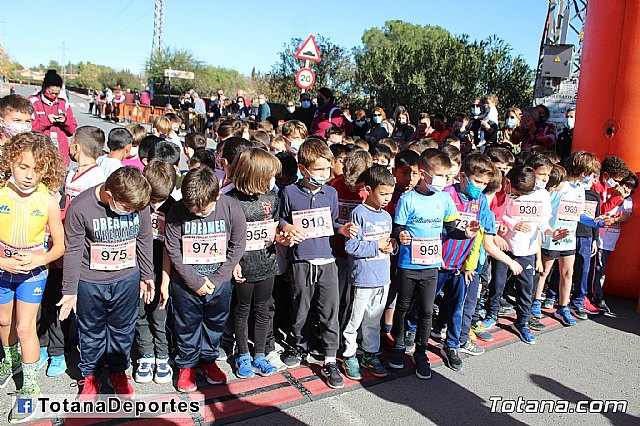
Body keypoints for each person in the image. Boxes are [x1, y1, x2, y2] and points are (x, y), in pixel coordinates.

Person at [58, 167, 154, 401]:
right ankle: (90, 376)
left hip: (126, 279)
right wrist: (69, 291)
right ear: (110, 196)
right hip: (90, 282)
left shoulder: (138, 204)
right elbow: (73, 251)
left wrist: (147, 275)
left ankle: (119, 372)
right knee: (91, 332)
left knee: (123, 329)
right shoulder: (81, 208)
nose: (132, 212)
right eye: (128, 209)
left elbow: (144, 238)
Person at [389, 149, 478, 379]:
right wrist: (401, 236)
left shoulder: (444, 199)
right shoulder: (407, 199)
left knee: (427, 311)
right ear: (423, 174)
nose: (444, 181)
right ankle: (398, 346)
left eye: (446, 176)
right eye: (439, 176)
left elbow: (451, 229)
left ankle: (420, 353)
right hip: (409, 264)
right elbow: (397, 228)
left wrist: (466, 234)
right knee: (403, 307)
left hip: (431, 266)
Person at [278, 139, 358, 389]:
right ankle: (299, 345)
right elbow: (280, 218)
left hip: (327, 262)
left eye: (327, 169)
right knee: (300, 309)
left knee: (329, 312)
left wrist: (342, 229)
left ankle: (330, 358)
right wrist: (286, 226)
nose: (324, 174)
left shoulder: (331, 193)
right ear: (303, 169)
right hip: (301, 261)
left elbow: (332, 222)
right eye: (319, 169)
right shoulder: (289, 192)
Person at [0, 132, 65, 423]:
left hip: (33, 273)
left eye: (37, 169)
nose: (29, 175)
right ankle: (10, 362)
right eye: (23, 167)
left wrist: (39, 259)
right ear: (11, 161)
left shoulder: (48, 200)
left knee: (25, 327)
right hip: (2, 269)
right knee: (4, 322)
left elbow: (60, 246)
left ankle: (30, 386)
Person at [164, 166, 247, 392]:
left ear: (217, 194)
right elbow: (172, 249)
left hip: (219, 283)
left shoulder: (231, 208)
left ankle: (208, 360)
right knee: (186, 325)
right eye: (192, 209)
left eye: (203, 209)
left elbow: (238, 245)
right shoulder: (177, 211)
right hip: (186, 283)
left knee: (215, 323)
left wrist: (218, 278)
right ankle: (187, 365)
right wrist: (194, 281)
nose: (197, 212)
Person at [482, 165, 568, 344]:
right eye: (516, 194)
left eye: (522, 194)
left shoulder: (542, 194)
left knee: (526, 290)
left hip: (526, 250)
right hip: (505, 246)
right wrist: (514, 224)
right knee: (497, 285)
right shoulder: (504, 192)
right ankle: (492, 314)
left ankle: (522, 323)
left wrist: (552, 233)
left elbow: (543, 221)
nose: (518, 197)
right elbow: (498, 214)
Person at [228, 148, 283, 378]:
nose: (273, 181)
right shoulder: (230, 200)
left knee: (263, 309)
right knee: (242, 310)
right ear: (255, 175)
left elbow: (275, 227)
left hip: (267, 263)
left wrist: (283, 237)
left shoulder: (272, 197)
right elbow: (225, 236)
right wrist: (232, 263)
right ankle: (242, 354)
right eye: (269, 175)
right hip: (243, 266)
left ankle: (259, 354)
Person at [342, 165, 396, 381]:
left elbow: (387, 244)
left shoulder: (386, 216)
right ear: (368, 189)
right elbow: (351, 247)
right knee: (355, 319)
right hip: (363, 278)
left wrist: (393, 245)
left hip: (382, 277)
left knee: (373, 319)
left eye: (390, 194)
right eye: (383, 194)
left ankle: (370, 353)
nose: (386, 199)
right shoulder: (359, 214)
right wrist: (377, 246)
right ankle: (349, 354)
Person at [134, 161, 177, 385]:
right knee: (139, 314)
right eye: (153, 199)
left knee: (160, 316)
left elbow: (172, 249)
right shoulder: (137, 203)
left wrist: (164, 282)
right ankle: (146, 354)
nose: (156, 204)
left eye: (160, 199)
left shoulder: (174, 208)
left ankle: (163, 356)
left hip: (163, 270)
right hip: (138, 269)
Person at [592, 171, 637, 313]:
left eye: (631, 188)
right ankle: (596, 297)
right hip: (600, 238)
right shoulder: (608, 194)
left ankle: (595, 295)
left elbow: (626, 217)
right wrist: (612, 217)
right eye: (625, 186)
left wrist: (615, 219)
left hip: (611, 240)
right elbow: (602, 212)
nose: (627, 190)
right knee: (597, 269)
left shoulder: (627, 200)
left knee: (601, 269)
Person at [28, 70, 78, 166]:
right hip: (39, 154)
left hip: (60, 156)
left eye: (57, 93)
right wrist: (47, 120)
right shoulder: (33, 101)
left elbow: (72, 130)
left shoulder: (63, 103)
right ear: (44, 87)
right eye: (51, 92)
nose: (54, 96)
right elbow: (28, 129)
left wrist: (65, 121)